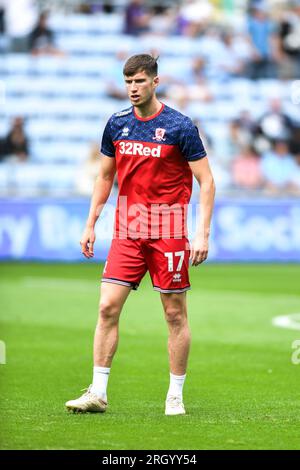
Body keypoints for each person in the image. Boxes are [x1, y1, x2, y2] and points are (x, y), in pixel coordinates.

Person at [65, 54, 215, 416]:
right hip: (127, 230)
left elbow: (206, 180)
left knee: (174, 314)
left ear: (155, 82)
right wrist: (90, 224)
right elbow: (105, 177)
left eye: (140, 81)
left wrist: (202, 233)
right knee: (106, 307)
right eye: (128, 81)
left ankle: (175, 395)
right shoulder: (116, 124)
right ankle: (98, 392)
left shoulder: (179, 126)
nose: (133, 88)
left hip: (168, 231)